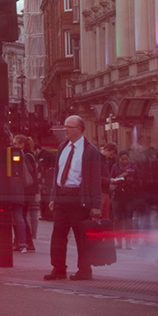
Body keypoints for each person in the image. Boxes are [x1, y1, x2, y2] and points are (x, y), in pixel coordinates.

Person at [44, 115, 105, 281]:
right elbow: (57, 174)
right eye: (65, 126)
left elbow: (94, 180)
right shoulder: (63, 147)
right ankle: (58, 269)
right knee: (58, 236)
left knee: (81, 237)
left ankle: (84, 270)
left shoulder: (90, 151)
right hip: (62, 198)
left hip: (79, 198)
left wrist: (96, 205)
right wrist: (53, 197)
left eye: (68, 127)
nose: (65, 129)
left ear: (79, 129)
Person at [7, 134, 39, 252]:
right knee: (21, 217)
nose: (13, 146)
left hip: (26, 191)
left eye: (16, 144)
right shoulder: (27, 155)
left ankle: (27, 242)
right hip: (26, 191)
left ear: (22, 145)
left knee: (21, 217)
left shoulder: (26, 156)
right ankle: (25, 241)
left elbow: (30, 173)